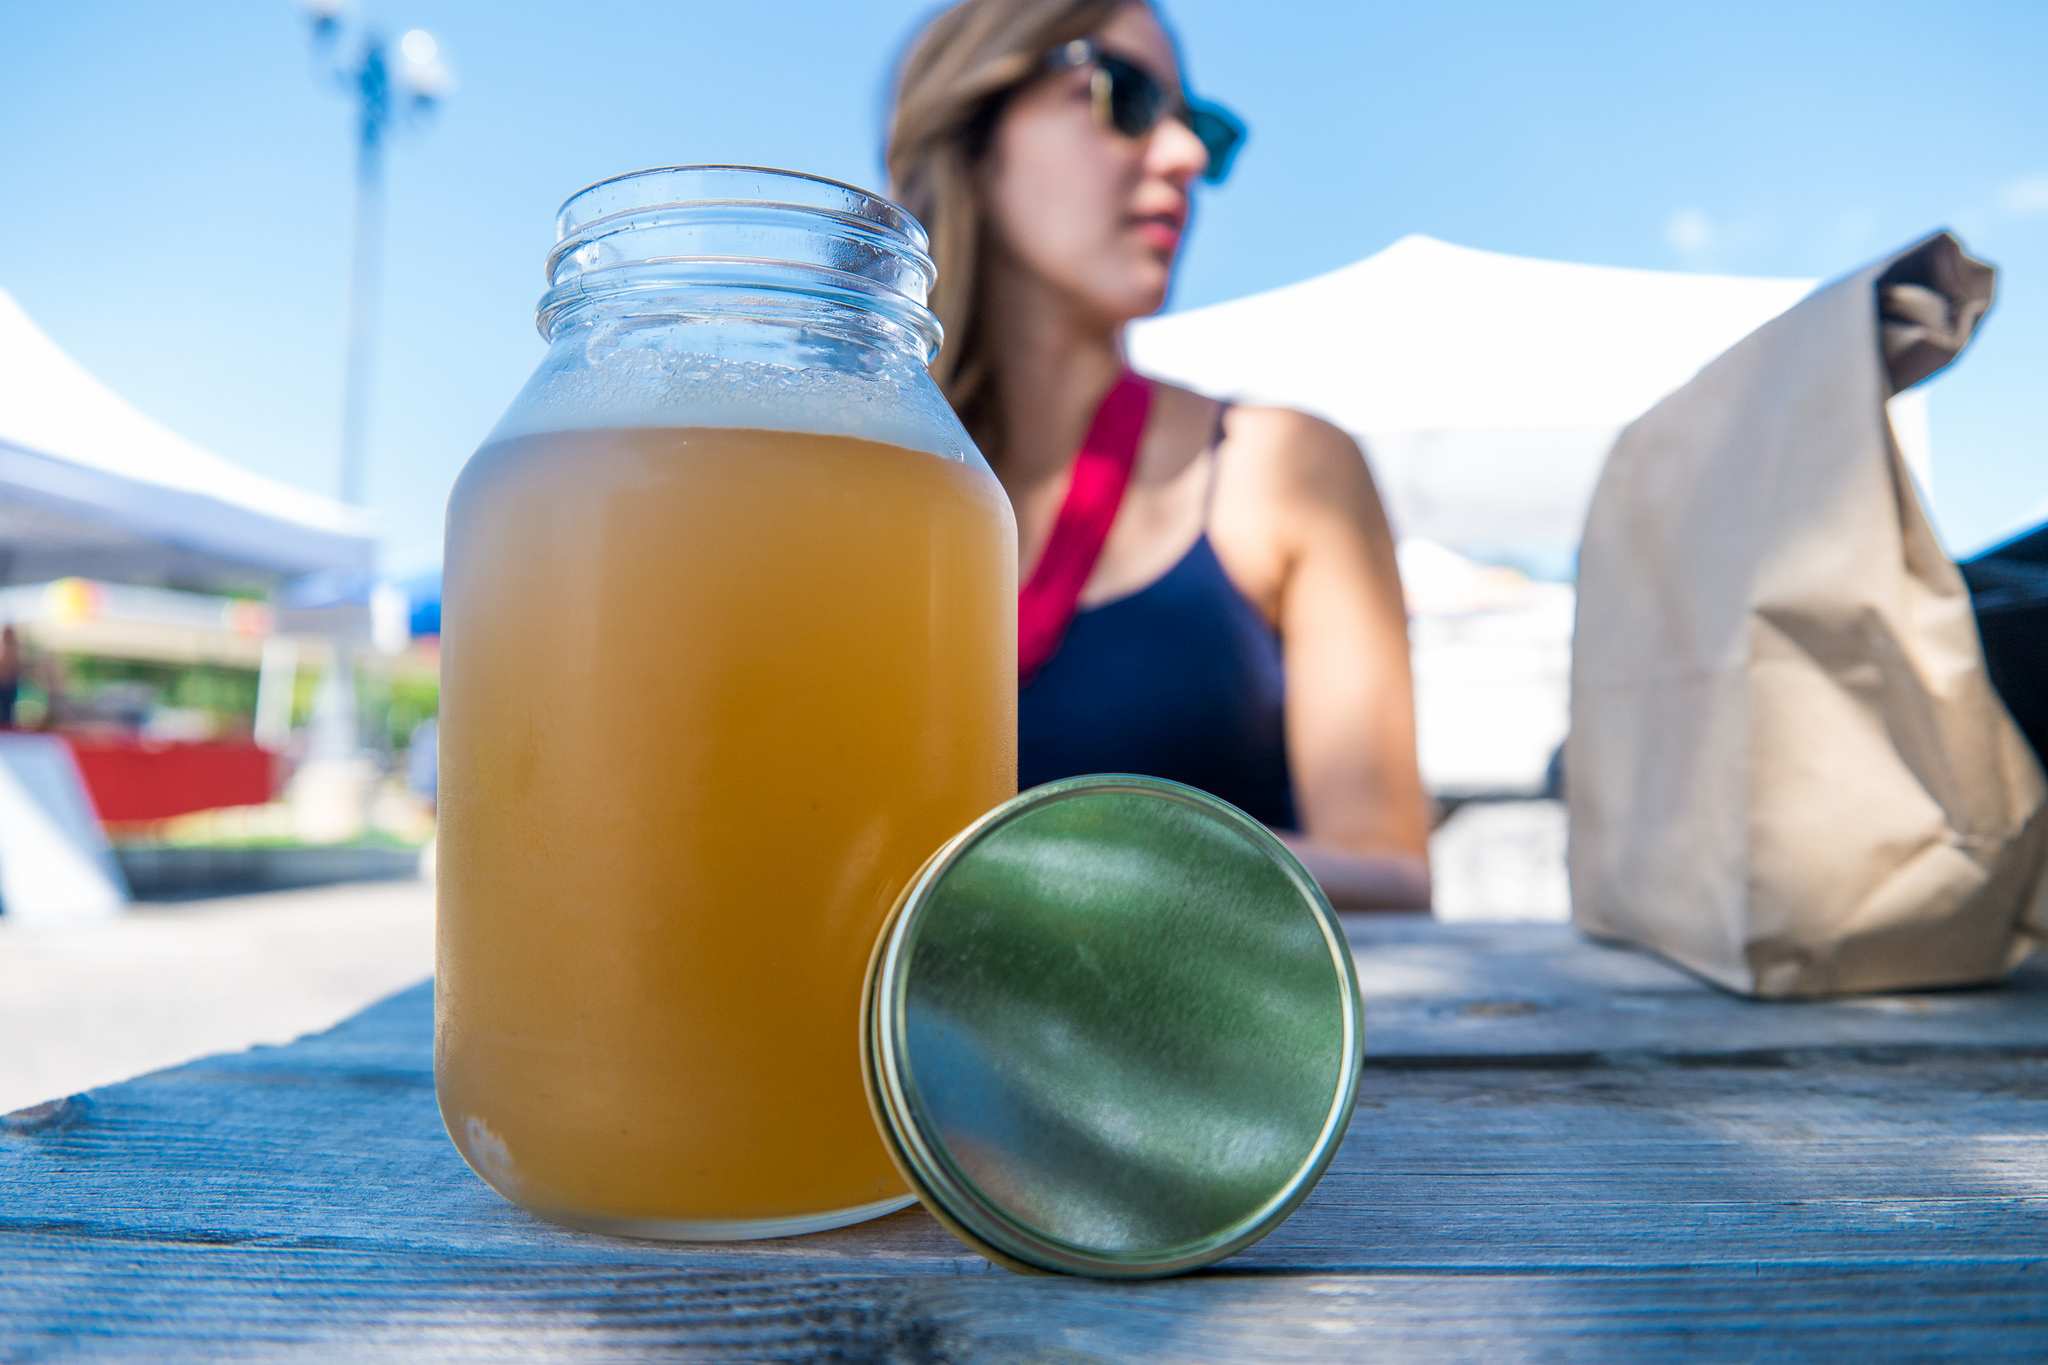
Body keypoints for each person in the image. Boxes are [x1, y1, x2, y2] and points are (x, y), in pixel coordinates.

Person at [887, 0, 1431, 909]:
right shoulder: (856, 484)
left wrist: (1039, 858)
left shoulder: (1283, 464)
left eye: (1201, 128)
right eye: (1123, 94)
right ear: (972, 133)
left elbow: (1396, 873)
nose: (1184, 157)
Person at [0, 625, 20, 729]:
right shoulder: (5, 648)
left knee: (8, 712)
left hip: (10, 685)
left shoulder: (13, 648)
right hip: (6, 684)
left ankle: (7, 727)